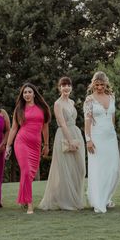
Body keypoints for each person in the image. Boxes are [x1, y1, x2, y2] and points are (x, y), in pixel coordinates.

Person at [39, 76, 86, 211]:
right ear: (59, 88)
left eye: (68, 85)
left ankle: (74, 197)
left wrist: (75, 138)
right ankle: (65, 201)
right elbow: (62, 123)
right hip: (64, 136)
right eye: (63, 85)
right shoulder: (57, 103)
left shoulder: (71, 102)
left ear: (71, 87)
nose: (66, 88)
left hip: (76, 133)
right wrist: (70, 140)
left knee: (79, 168)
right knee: (65, 169)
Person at [5, 83, 50, 214]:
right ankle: (30, 205)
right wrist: (8, 146)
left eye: (29, 92)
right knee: (26, 171)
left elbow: (45, 127)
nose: (27, 94)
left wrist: (46, 145)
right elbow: (14, 128)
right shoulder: (19, 109)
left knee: (30, 174)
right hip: (21, 142)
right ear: (22, 95)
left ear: (34, 93)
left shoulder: (42, 108)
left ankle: (23, 199)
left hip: (36, 144)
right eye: (24, 92)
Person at [84, 71, 120, 213]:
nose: (99, 87)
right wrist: (88, 140)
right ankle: (99, 200)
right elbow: (87, 121)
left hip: (110, 138)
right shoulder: (89, 99)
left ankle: (106, 197)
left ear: (106, 84)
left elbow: (112, 117)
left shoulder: (111, 97)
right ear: (93, 84)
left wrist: (113, 132)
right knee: (98, 169)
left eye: (102, 84)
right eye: (97, 84)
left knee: (114, 169)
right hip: (96, 138)